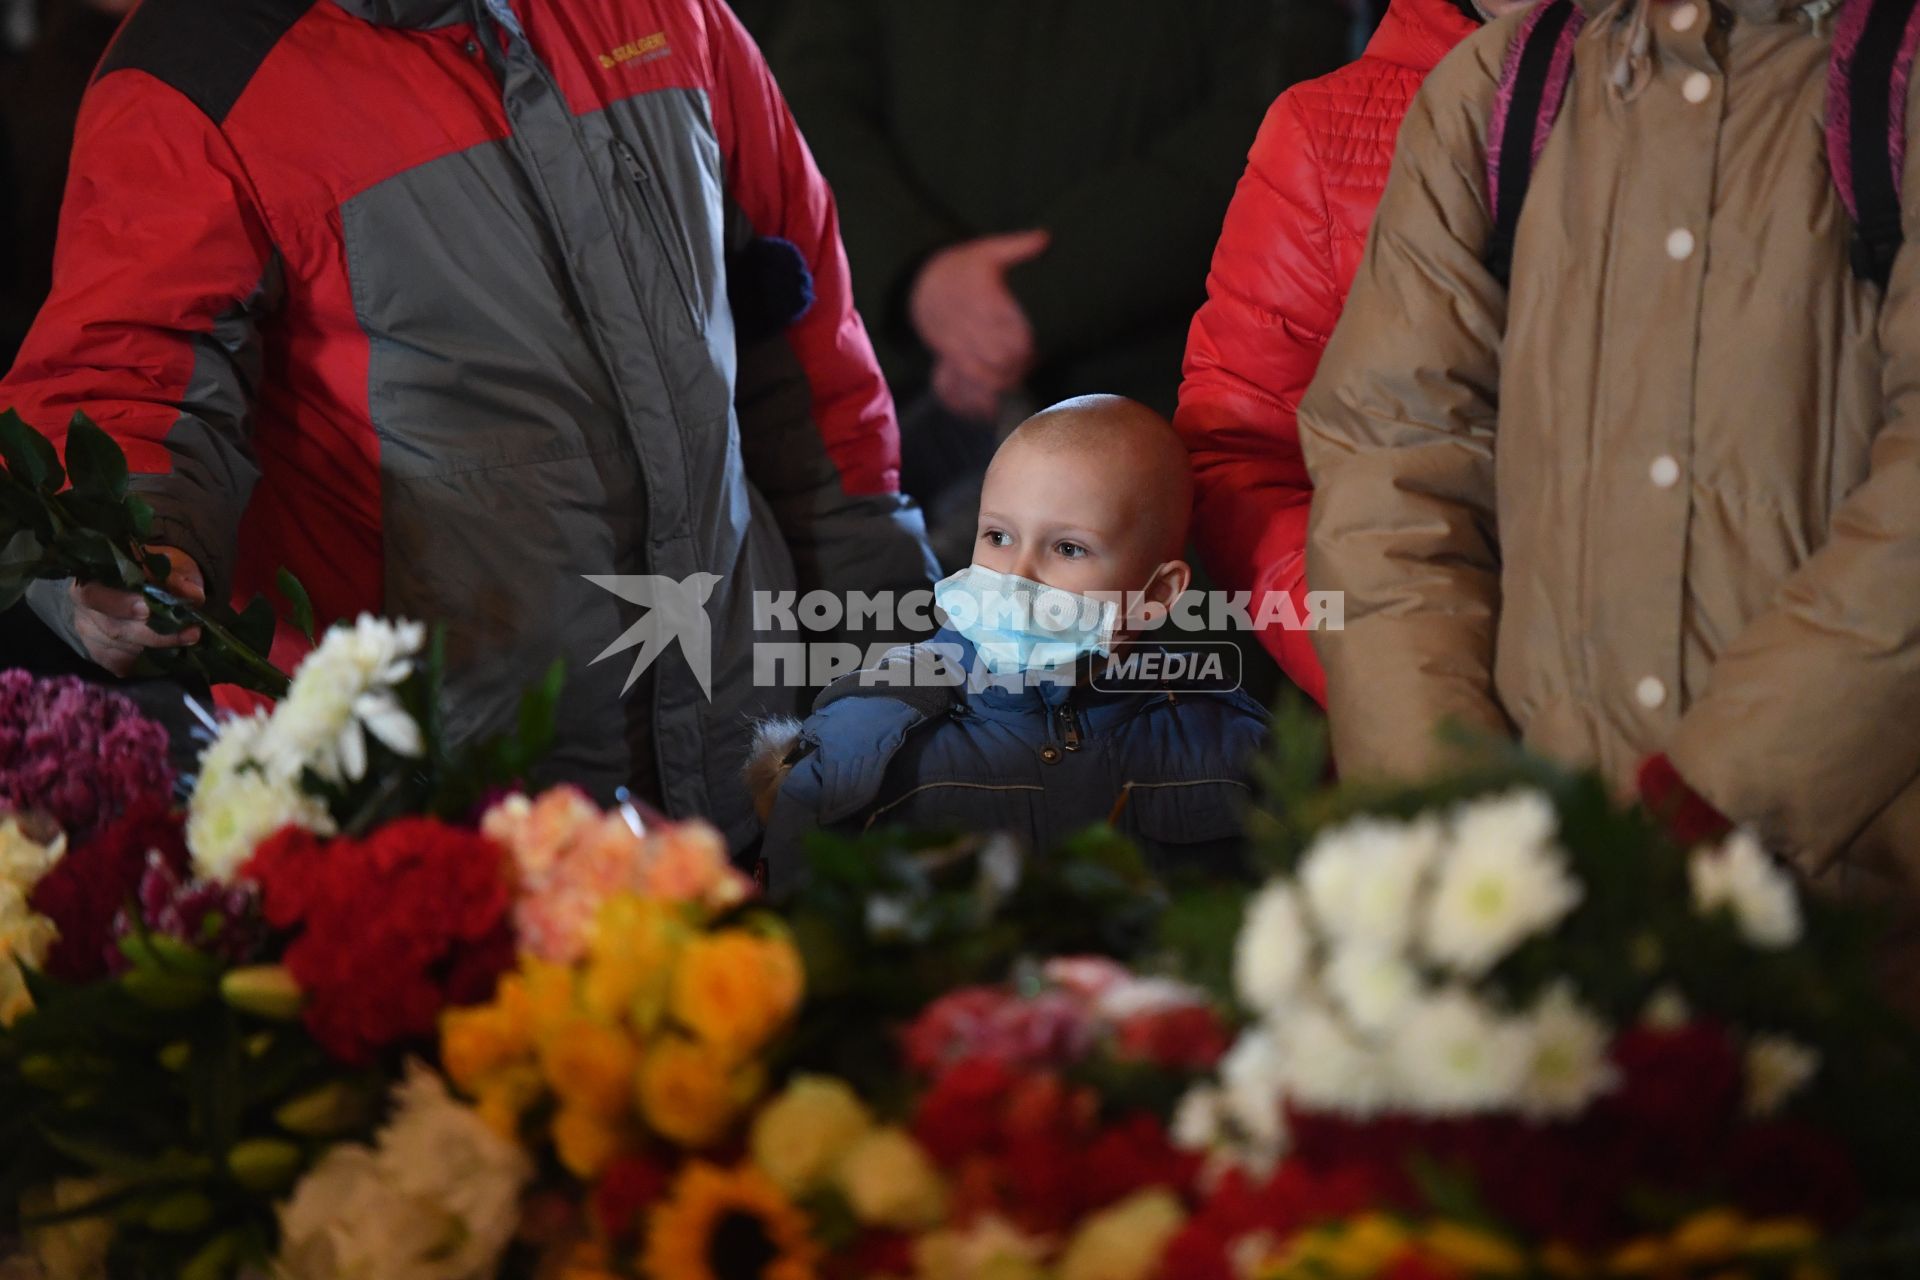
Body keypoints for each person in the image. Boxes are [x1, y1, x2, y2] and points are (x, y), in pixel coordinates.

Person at [0, 0, 937, 853]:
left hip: (752, 754)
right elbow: (119, 370)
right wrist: (128, 550)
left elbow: (803, 348)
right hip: (429, 815)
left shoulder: (673, 12)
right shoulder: (201, 65)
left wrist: (891, 643)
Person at [1298, 0, 1920, 903]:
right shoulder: (1500, 90)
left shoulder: (1892, 77)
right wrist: (1452, 825)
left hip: (1862, 924)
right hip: (1552, 923)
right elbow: (1387, 473)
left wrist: (1714, 812)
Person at [771, 0, 1348, 567]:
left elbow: (1274, 118)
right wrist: (920, 275)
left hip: (1174, 420)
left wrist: (1030, 301)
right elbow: (806, 98)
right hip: (886, 401)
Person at [754, 396, 1269, 891]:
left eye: (1068, 548)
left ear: (1155, 594)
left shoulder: (1231, 740)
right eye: (998, 537)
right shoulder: (865, 737)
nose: (1016, 577)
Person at [1174, 0, 1499, 708]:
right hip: (1430, 701)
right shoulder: (1326, 129)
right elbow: (1245, 455)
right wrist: (1386, 669)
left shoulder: (1750, 109)